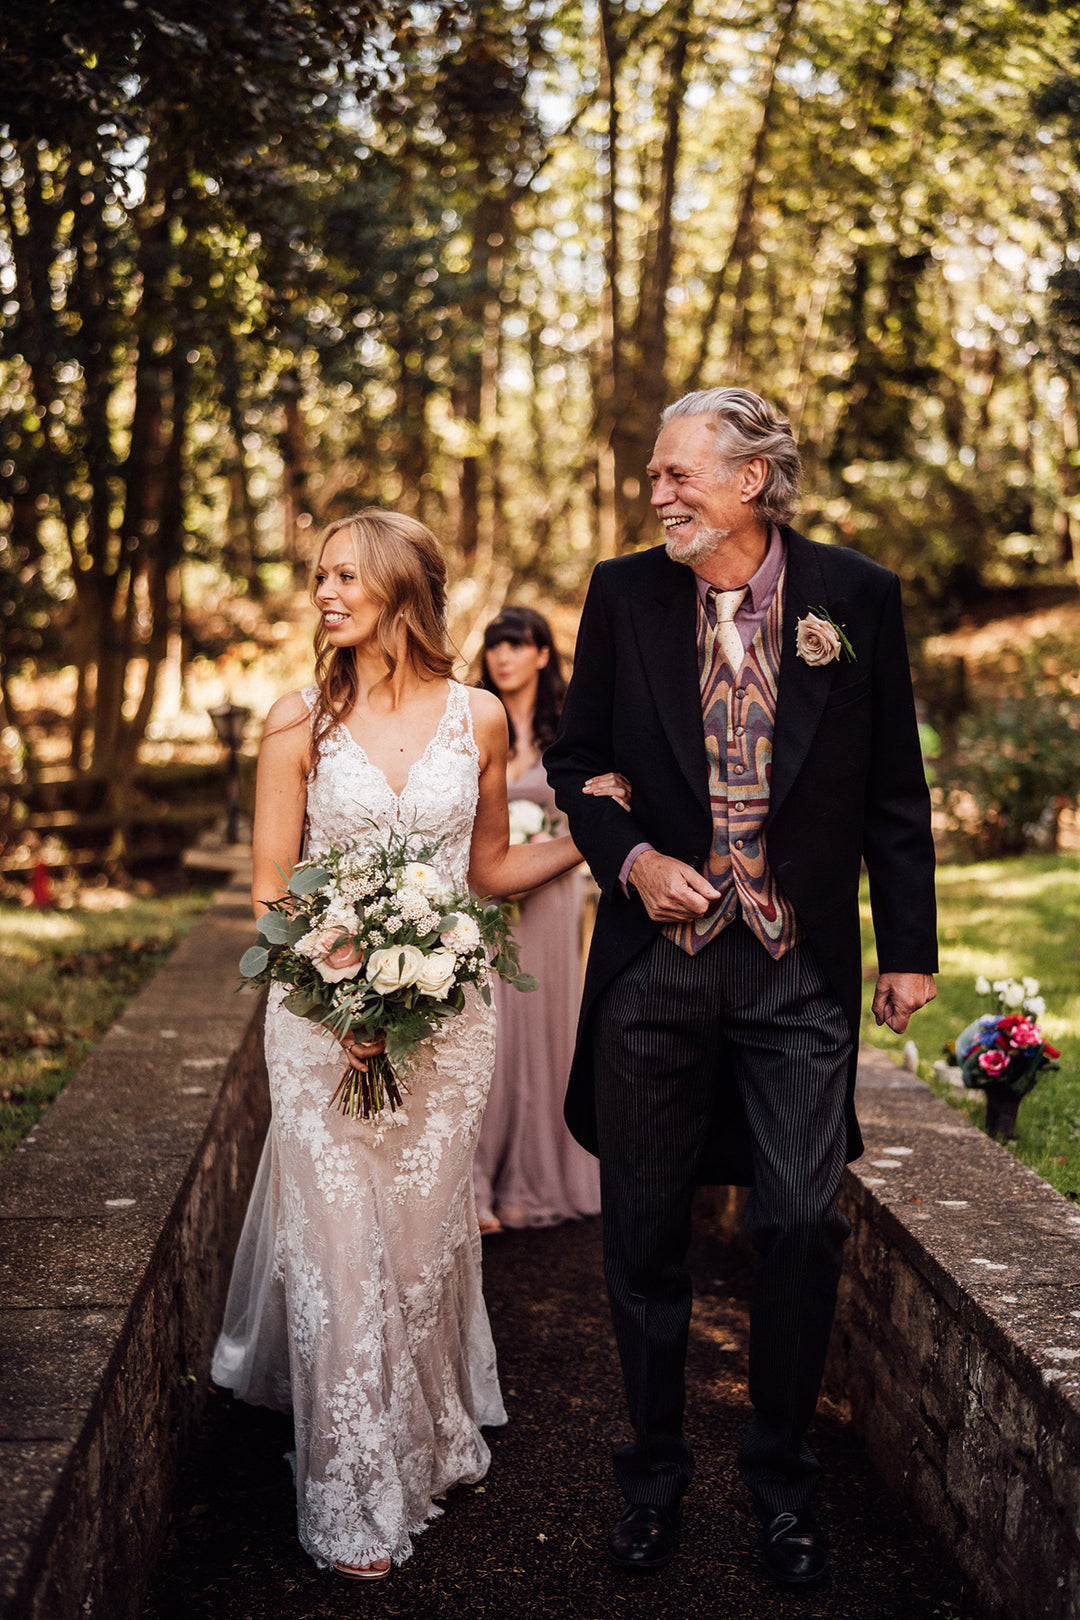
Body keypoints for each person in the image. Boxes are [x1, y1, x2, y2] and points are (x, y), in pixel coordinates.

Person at [544, 387, 937, 1589]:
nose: (656, 492)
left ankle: (782, 1488)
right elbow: (576, 757)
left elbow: (891, 788)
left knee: (804, 1223)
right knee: (645, 1236)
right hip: (655, 973)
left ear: (752, 480)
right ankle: (651, 1482)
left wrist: (909, 948)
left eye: (677, 474)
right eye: (657, 477)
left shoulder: (856, 597)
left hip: (795, 967)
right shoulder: (623, 593)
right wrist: (634, 862)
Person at [210, 511, 594, 1581]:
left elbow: (484, 875)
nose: (325, 592)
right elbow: (272, 892)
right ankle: (351, 1494)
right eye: (319, 575)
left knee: (422, 1241)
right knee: (340, 1248)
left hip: (448, 1021)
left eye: (346, 575)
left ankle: (424, 1433)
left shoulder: (476, 718)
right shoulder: (295, 722)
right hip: (317, 1021)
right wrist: (341, 995)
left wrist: (593, 837)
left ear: (402, 591)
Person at [471, 607, 602, 1233]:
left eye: (517, 645)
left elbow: (598, 799)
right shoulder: (467, 716)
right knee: (481, 1034)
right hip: (481, 898)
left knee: (545, 1031)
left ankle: (530, 1180)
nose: (504, 657)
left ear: (543, 654)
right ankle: (473, 1186)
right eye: (496, 645)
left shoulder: (573, 726)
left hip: (551, 897)